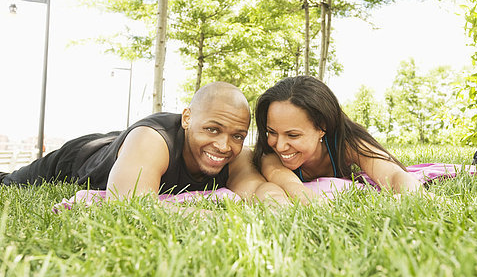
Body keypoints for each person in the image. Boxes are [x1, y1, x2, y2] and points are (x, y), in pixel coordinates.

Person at [1, 82, 282, 208]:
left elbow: (257, 190)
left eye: (237, 135)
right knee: (8, 184)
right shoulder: (153, 139)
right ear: (187, 118)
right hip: (81, 156)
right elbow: (131, 205)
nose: (224, 145)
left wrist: (280, 206)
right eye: (212, 129)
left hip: (120, 143)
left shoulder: (234, 154)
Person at [253, 75, 424, 204]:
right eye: (272, 132)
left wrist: (416, 196)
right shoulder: (269, 154)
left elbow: (392, 174)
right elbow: (289, 184)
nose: (280, 146)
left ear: (322, 127)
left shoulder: (346, 142)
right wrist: (317, 203)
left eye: (293, 135)